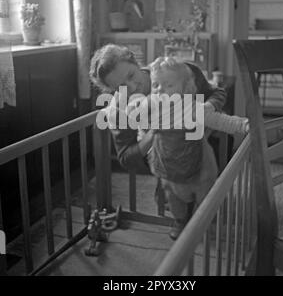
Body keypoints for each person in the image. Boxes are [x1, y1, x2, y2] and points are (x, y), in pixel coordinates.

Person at [89, 44, 227, 236]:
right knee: (172, 203)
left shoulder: (177, 71)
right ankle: (178, 211)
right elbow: (126, 158)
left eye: (130, 75)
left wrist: (209, 107)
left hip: (199, 146)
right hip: (165, 162)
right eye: (120, 87)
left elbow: (217, 92)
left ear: (136, 62)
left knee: (206, 198)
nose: (131, 86)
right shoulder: (119, 109)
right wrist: (154, 132)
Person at [126, 57, 249, 240]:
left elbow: (221, 120)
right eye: (156, 85)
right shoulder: (150, 104)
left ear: (185, 89)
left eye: (168, 86)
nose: (160, 90)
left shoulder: (192, 108)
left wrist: (246, 125)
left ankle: (201, 222)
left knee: (204, 197)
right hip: (167, 164)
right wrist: (132, 107)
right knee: (173, 197)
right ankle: (180, 221)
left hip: (198, 164)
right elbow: (133, 116)